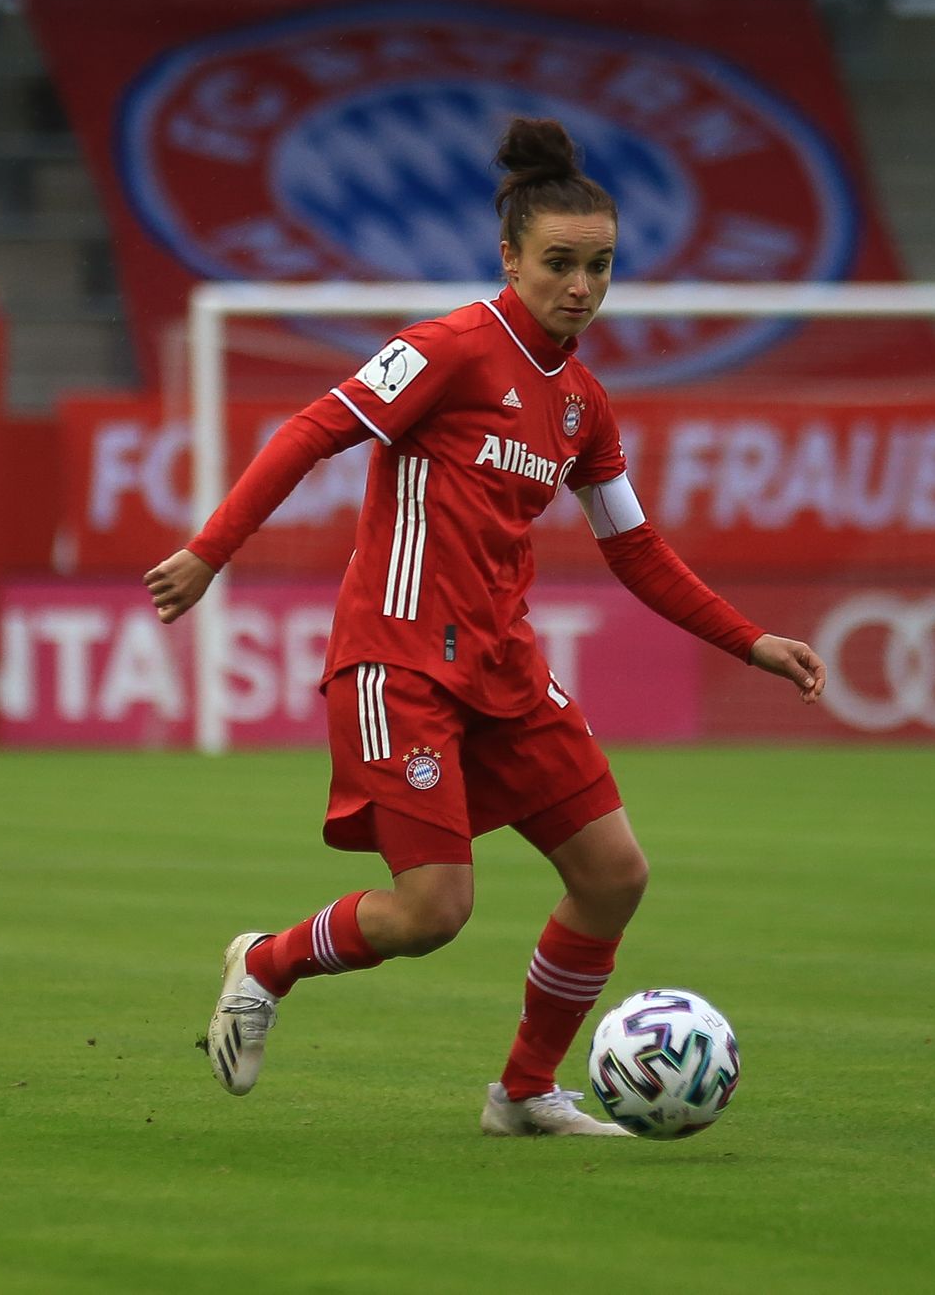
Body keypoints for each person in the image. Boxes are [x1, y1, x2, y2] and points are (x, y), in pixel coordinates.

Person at [144, 117, 827, 1135]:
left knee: (613, 874)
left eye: (599, 265)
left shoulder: (582, 404)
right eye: (560, 263)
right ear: (509, 257)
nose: (581, 286)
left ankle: (521, 1093)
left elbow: (632, 548)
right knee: (433, 912)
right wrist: (210, 548)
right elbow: (311, 429)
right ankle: (266, 961)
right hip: (399, 659)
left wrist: (750, 639)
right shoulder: (449, 348)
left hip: (504, 667)